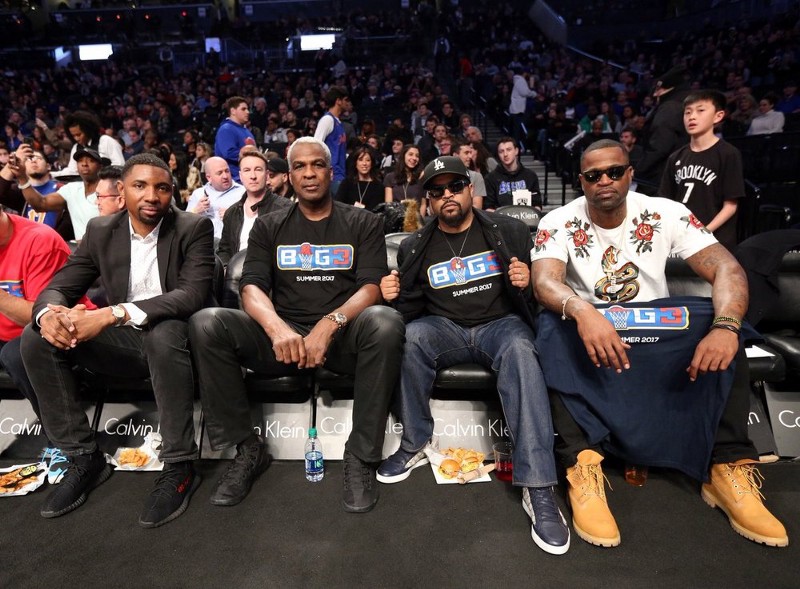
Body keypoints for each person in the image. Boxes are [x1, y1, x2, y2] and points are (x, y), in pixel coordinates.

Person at [530, 139, 787, 548]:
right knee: (549, 326)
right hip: (595, 333)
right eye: (594, 176)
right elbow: (544, 281)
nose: (605, 181)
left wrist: (724, 327)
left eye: (615, 171)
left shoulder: (666, 211)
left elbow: (727, 268)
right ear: (581, 181)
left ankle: (727, 465)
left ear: (631, 174)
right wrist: (582, 311)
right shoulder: (558, 220)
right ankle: (581, 466)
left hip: (656, 327)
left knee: (720, 321)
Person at [188, 137, 404, 513]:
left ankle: (361, 455)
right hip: (282, 342)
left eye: (317, 165)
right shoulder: (269, 226)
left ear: (330, 171)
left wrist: (329, 324)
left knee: (385, 322)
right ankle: (247, 449)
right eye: (300, 166)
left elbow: (371, 287)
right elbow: (251, 285)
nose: (309, 173)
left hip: (340, 340)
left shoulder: (363, 221)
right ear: (288, 175)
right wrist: (277, 328)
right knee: (207, 323)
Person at [377, 156, 570, 555]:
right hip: (443, 327)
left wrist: (529, 283)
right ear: (427, 201)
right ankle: (414, 443)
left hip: (500, 325)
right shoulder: (415, 245)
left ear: (470, 189)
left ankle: (538, 486)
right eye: (436, 190)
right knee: (409, 338)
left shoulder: (510, 230)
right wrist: (393, 297)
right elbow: (410, 308)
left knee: (520, 348)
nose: (446, 195)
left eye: (454, 187)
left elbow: (543, 287)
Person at [20, 153, 215, 528]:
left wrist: (112, 313)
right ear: (121, 191)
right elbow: (59, 286)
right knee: (37, 337)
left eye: (161, 187)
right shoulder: (100, 230)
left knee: (165, 330)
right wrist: (51, 315)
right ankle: (82, 456)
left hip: (180, 342)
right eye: (140, 186)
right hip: (127, 344)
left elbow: (191, 296)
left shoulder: (193, 228)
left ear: (172, 192)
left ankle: (179, 463)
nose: (151, 195)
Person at [0, 206, 89, 421]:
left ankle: (64, 441)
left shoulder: (40, 241)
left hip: (60, 331)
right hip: (6, 333)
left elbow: (44, 316)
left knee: (18, 352)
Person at [659, 90, 745, 252]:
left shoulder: (728, 154)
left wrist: (703, 232)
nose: (692, 117)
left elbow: (731, 206)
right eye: (687, 112)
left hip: (715, 241)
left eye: (700, 110)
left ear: (718, 116)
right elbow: (666, 204)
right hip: (680, 240)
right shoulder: (675, 158)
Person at [12, 145, 106, 241]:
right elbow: (40, 204)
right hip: (83, 252)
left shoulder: (110, 191)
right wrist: (22, 177)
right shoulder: (71, 189)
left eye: (91, 160)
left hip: (106, 247)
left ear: (100, 166)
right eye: (80, 161)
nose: (84, 164)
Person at [217, 151, 291, 266]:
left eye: (258, 169)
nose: (253, 176)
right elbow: (224, 250)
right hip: (236, 278)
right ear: (240, 176)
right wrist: (227, 270)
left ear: (267, 176)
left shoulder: (285, 209)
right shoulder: (232, 212)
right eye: (247, 170)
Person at [634, 65, 691, 192]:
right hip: (677, 172)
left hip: (659, 177)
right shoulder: (683, 105)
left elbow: (660, 145)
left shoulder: (670, 107)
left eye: (659, 89)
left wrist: (638, 169)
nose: (654, 94)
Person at [0, 147, 68, 236]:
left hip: (54, 241)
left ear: (48, 166)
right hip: (29, 243)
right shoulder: (20, 191)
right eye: (29, 159)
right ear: (23, 165)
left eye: (38, 158)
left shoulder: (61, 188)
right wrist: (11, 164)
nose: (33, 161)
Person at [186, 156, 246, 240]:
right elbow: (185, 224)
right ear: (209, 177)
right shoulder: (198, 194)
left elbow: (252, 221)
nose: (225, 176)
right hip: (204, 243)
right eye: (219, 173)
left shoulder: (243, 192)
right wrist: (196, 211)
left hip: (231, 243)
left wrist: (232, 216)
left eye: (227, 171)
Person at [484, 137, 542, 211]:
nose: (505, 154)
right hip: (501, 221)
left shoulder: (530, 176)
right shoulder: (490, 178)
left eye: (509, 150)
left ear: (516, 151)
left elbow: (537, 205)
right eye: (501, 151)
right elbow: (488, 208)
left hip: (526, 219)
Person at [62, 110, 125, 175]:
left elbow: (119, 165)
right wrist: (53, 174)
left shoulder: (106, 141)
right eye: (73, 136)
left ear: (88, 130)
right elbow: (72, 171)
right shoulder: (76, 147)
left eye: (79, 135)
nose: (76, 138)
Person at [313, 88, 351, 194]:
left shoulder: (338, 122)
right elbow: (315, 146)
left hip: (340, 174)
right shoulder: (327, 120)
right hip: (332, 176)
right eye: (346, 100)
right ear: (338, 101)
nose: (348, 103)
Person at [214, 96, 256, 182]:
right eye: (243, 109)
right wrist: (252, 154)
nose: (248, 112)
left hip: (246, 177)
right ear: (233, 111)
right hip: (233, 180)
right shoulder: (226, 129)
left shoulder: (246, 130)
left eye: (247, 109)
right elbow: (229, 153)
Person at [335, 145, 384, 211]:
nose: (364, 163)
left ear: (372, 163)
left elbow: (377, 212)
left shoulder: (379, 187)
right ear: (356, 163)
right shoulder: (347, 183)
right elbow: (338, 206)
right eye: (360, 160)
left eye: (368, 160)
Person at [383, 144, 426, 216]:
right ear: (403, 156)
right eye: (410, 154)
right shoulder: (390, 177)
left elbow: (423, 205)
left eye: (417, 156)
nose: (414, 158)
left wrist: (421, 225)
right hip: (396, 220)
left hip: (415, 221)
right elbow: (388, 206)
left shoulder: (421, 178)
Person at [452, 140, 486, 209]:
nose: (470, 156)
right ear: (455, 155)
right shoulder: (443, 176)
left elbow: (477, 206)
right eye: (466, 153)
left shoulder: (476, 176)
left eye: (470, 153)